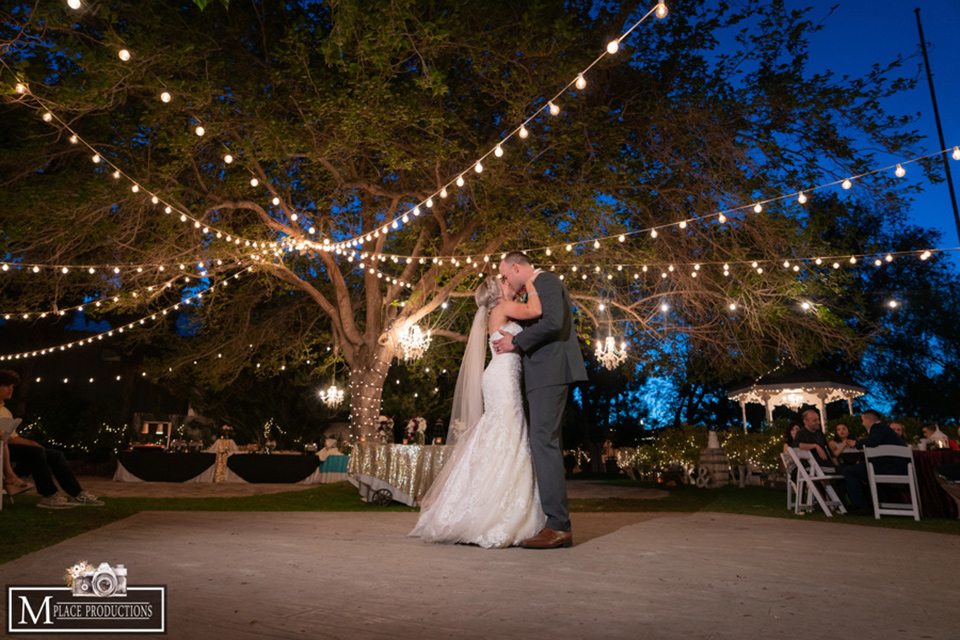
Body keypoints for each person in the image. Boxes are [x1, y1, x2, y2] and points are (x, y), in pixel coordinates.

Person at [410, 273, 545, 548]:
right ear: (497, 294)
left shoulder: (497, 311)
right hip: (503, 379)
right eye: (505, 283)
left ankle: (482, 504)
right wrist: (531, 280)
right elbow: (536, 309)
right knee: (509, 434)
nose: (509, 284)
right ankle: (497, 512)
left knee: (501, 433)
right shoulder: (504, 308)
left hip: (499, 376)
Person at [494, 252, 588, 549]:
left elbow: (553, 321)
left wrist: (516, 342)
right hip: (543, 373)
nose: (505, 281)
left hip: (550, 371)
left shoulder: (544, 280)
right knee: (546, 441)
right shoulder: (535, 287)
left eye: (506, 275)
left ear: (517, 267)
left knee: (543, 441)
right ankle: (554, 522)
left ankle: (558, 526)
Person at [0, 370, 103, 509]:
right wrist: (33, 445)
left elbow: (13, 437)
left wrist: (33, 444)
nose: (11, 390)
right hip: (3, 447)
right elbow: (8, 439)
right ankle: (49, 495)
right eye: (7, 386)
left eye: (12, 386)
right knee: (36, 452)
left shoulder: (5, 410)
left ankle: (77, 494)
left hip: (9, 445)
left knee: (55, 455)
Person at [841, 409, 907, 514]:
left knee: (850, 471)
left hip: (890, 467)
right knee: (861, 470)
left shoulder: (877, 427)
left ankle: (860, 506)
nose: (862, 424)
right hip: (897, 466)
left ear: (869, 420)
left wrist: (856, 443)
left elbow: (872, 442)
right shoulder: (884, 429)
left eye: (863, 421)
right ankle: (878, 502)